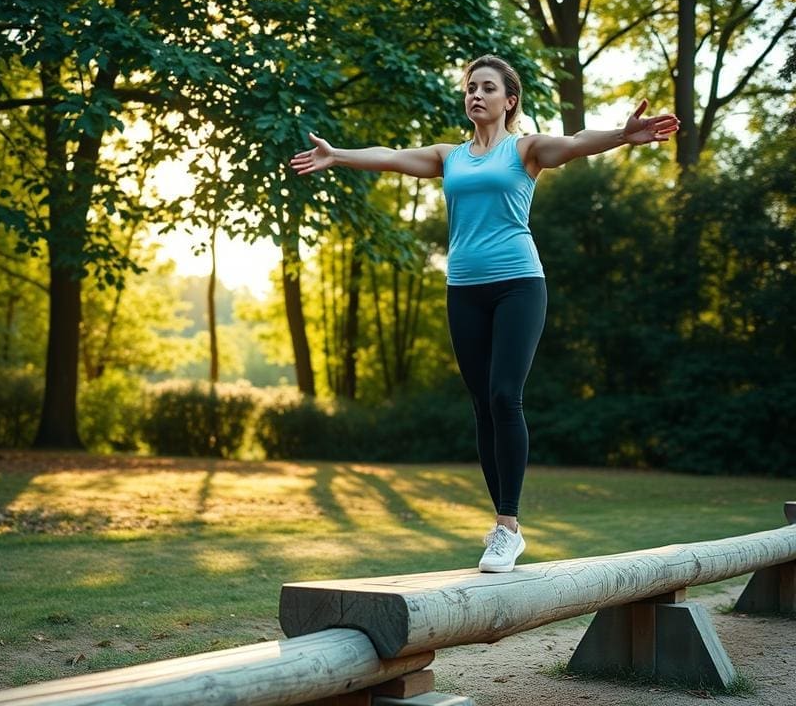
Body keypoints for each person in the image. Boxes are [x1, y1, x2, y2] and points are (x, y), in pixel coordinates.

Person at [290, 54, 679, 572]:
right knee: (481, 405)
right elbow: (391, 156)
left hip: (520, 284)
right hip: (464, 289)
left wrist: (620, 135)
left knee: (504, 395)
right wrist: (337, 155)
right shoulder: (450, 157)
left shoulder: (525, 149)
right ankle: (502, 523)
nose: (475, 94)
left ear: (508, 99)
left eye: (487, 88)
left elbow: (576, 141)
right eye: (470, 87)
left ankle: (509, 526)